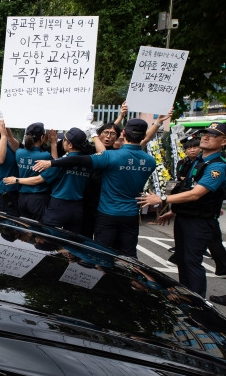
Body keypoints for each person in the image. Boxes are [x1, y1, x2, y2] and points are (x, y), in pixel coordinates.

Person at [35, 119, 156, 258]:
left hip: (107, 214)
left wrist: (52, 163)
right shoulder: (150, 161)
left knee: (101, 253)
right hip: (131, 215)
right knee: (129, 254)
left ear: (122, 133)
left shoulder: (111, 156)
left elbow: (78, 159)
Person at [137, 122, 226, 298]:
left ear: (224, 142)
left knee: (192, 262)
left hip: (200, 222)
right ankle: (185, 296)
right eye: (204, 134)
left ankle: (196, 303)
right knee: (183, 261)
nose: (206, 137)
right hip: (186, 218)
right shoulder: (198, 161)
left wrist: (162, 199)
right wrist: (175, 211)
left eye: (213, 135)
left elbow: (196, 194)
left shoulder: (218, 166)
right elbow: (186, 188)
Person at [7, 128, 91, 233]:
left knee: (45, 238)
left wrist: (16, 180)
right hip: (77, 208)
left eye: (64, 140)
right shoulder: (89, 163)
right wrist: (54, 144)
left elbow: (38, 179)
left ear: (70, 145)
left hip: (58, 207)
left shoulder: (59, 164)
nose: (63, 142)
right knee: (71, 243)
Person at [12, 122, 57, 221]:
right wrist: (53, 143)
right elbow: (55, 165)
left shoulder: (19, 153)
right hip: (38, 198)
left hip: (22, 197)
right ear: (42, 137)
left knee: (24, 229)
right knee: (38, 231)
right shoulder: (44, 156)